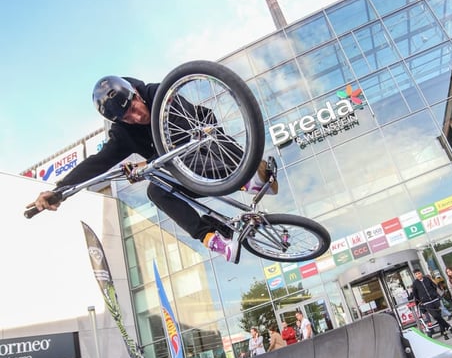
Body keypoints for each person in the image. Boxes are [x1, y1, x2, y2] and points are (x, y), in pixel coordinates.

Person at [32, 75, 278, 263]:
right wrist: (60, 190)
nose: (136, 118)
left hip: (209, 146)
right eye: (127, 118)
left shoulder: (161, 93)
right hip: (186, 172)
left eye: (134, 108)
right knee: (156, 191)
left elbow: (183, 134)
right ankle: (213, 239)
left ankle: (246, 176)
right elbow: (98, 162)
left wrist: (146, 164)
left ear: (136, 94)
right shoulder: (124, 133)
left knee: (178, 156)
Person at [411, 269, 452, 340]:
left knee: (439, 317)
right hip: (427, 303)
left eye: (419, 273)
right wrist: (420, 302)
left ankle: (444, 333)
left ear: (421, 273)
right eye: (416, 274)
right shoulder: (415, 284)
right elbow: (415, 295)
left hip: (435, 300)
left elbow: (434, 287)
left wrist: (435, 294)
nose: (418, 275)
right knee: (436, 316)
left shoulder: (427, 279)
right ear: (415, 275)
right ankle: (448, 326)